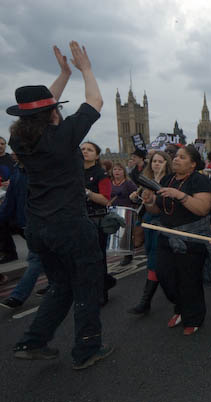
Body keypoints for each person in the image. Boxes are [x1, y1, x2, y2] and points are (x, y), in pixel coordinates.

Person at [6, 42, 113, 368]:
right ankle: (86, 350)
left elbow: (35, 109)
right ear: (53, 112)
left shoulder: (18, 140)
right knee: (86, 285)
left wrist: (63, 74)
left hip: (37, 227)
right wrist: (85, 69)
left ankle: (32, 341)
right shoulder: (64, 135)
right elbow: (95, 100)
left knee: (60, 285)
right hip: (70, 225)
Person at [141, 145, 211, 335]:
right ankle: (180, 307)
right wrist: (149, 201)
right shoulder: (167, 179)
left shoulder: (200, 180)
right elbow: (157, 210)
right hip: (166, 237)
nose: (176, 159)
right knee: (166, 277)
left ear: (193, 164)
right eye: (176, 156)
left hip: (191, 240)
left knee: (189, 280)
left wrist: (179, 195)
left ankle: (193, 317)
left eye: (182, 157)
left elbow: (203, 209)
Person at [127, 150, 172, 314]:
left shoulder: (169, 182)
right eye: (154, 161)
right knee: (152, 257)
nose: (157, 164)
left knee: (155, 260)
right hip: (147, 223)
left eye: (160, 161)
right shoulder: (146, 181)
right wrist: (135, 197)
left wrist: (151, 201)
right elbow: (137, 200)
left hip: (161, 225)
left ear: (166, 163)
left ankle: (145, 302)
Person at [81, 141, 115, 305]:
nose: (85, 152)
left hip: (96, 220)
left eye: (89, 149)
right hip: (78, 219)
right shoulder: (74, 172)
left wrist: (87, 192)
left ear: (96, 155)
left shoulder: (101, 174)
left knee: (97, 258)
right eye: (82, 149)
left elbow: (105, 199)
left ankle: (102, 292)